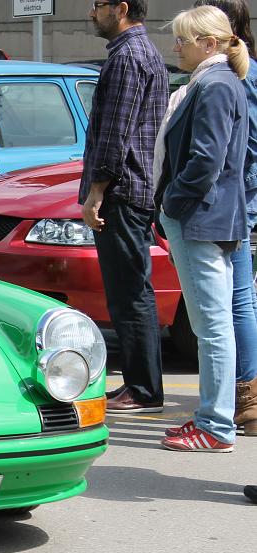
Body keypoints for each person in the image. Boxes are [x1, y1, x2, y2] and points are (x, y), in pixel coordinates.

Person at [156, 5, 248, 452]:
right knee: (217, 325)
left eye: (183, 40)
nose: (176, 47)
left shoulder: (214, 84)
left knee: (211, 327)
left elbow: (206, 161)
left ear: (209, 44)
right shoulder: (221, 81)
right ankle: (214, 420)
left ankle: (215, 425)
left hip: (200, 219)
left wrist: (171, 203)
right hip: (213, 218)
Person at [79, 0, 167, 414]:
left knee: (129, 292)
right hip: (132, 187)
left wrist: (97, 190)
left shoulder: (128, 57)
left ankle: (144, 389)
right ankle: (139, 384)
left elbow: (115, 133)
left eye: (98, 5)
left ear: (122, 8)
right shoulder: (141, 52)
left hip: (122, 190)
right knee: (131, 290)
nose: (92, 13)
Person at [195, 0, 257, 446]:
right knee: (238, 300)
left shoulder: (237, 74)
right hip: (240, 197)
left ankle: (244, 396)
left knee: (233, 302)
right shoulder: (237, 71)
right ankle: (243, 396)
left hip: (235, 198)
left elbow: (238, 146)